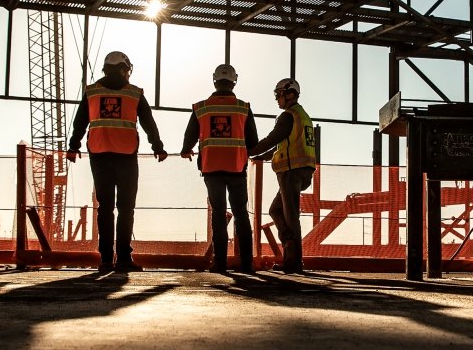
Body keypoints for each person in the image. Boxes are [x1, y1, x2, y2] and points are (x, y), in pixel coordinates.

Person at [66, 51, 167, 272]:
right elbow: (149, 122)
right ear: (124, 69)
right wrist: (158, 147)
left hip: (99, 155)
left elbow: (80, 122)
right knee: (126, 208)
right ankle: (123, 258)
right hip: (126, 156)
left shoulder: (92, 91)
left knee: (105, 208)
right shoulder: (134, 93)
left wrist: (73, 147)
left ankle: (105, 259)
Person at [179, 64, 260, 273]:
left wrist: (186, 150)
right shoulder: (243, 108)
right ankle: (247, 264)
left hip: (211, 168)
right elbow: (253, 142)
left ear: (214, 81)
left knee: (218, 214)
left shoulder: (201, 107)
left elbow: (189, 137)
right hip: (236, 168)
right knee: (241, 214)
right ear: (234, 81)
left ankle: (220, 263)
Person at [248, 78, 316, 274]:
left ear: (290, 94)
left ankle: (293, 263)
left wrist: (249, 150)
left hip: (291, 171)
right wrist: (260, 156)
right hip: (303, 170)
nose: (277, 99)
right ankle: (288, 244)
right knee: (276, 210)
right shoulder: (303, 116)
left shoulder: (288, 116)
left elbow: (273, 139)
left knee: (291, 216)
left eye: (279, 95)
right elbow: (281, 145)